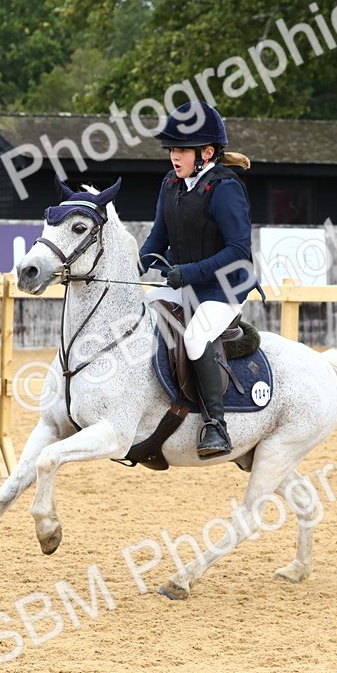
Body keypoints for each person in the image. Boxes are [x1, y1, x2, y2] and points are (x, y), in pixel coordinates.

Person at [138, 101, 256, 458]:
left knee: (194, 336)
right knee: (144, 321)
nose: (174, 156)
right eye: (172, 149)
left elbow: (239, 249)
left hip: (224, 288)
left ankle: (215, 425)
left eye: (181, 150)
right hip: (185, 284)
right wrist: (135, 265)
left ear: (206, 153)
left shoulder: (225, 188)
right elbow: (158, 238)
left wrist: (187, 272)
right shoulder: (171, 183)